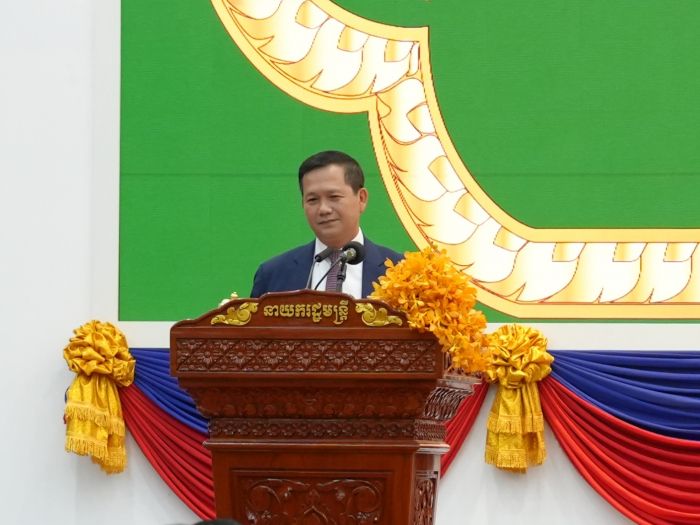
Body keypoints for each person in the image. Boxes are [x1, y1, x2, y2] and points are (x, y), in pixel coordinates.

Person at [250, 150, 403, 299]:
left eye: (334, 197)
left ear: (361, 199)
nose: (323, 209)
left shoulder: (400, 272)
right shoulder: (273, 274)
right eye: (313, 200)